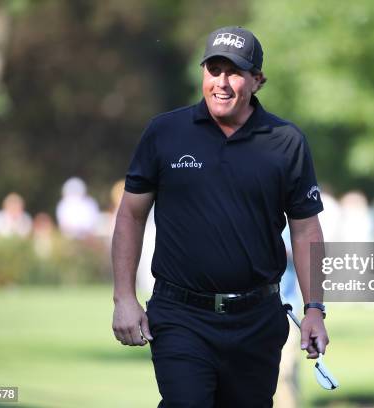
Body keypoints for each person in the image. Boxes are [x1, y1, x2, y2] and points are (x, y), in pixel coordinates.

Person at [111, 26, 329, 407]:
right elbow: (130, 215)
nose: (222, 83)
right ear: (203, 74)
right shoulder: (165, 133)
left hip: (257, 320)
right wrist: (124, 298)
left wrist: (314, 310)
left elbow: (307, 229)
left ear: (257, 80)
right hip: (180, 315)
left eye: (235, 72)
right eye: (214, 70)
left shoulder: (286, 141)